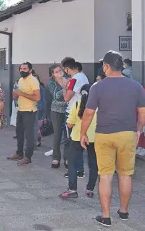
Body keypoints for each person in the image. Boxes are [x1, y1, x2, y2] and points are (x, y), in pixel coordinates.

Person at [80, 50, 145, 227]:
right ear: (121, 66)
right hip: (127, 134)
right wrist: (138, 130)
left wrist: (83, 133)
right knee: (125, 174)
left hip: (104, 135)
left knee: (106, 175)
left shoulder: (97, 87)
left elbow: (88, 113)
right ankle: (124, 212)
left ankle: (106, 216)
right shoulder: (136, 86)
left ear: (106, 66)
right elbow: (142, 113)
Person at [59, 84, 98, 199]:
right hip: (94, 138)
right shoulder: (98, 106)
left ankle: (72, 189)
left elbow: (70, 123)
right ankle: (90, 189)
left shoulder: (76, 104)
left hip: (77, 137)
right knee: (93, 164)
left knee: (72, 163)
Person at [7, 62, 40, 165]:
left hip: (29, 111)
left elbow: (37, 97)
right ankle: (19, 153)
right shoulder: (20, 80)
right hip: (20, 110)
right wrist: (16, 95)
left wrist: (21, 94)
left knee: (29, 135)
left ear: (30, 70)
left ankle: (28, 157)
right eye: (21, 69)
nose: (22, 70)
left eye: (25, 69)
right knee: (19, 133)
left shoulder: (33, 81)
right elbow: (18, 94)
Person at [61, 57, 89, 175]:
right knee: (76, 142)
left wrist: (64, 86)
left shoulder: (74, 80)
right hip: (81, 112)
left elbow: (66, 98)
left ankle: (77, 169)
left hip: (73, 113)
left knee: (72, 142)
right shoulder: (84, 76)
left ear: (67, 69)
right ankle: (78, 168)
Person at [47, 64, 67, 168]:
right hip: (56, 110)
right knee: (57, 134)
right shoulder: (51, 83)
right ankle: (56, 157)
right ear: (52, 74)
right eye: (56, 72)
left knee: (68, 135)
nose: (59, 73)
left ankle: (67, 158)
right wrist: (64, 87)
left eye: (60, 70)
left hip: (68, 110)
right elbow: (56, 96)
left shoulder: (68, 79)